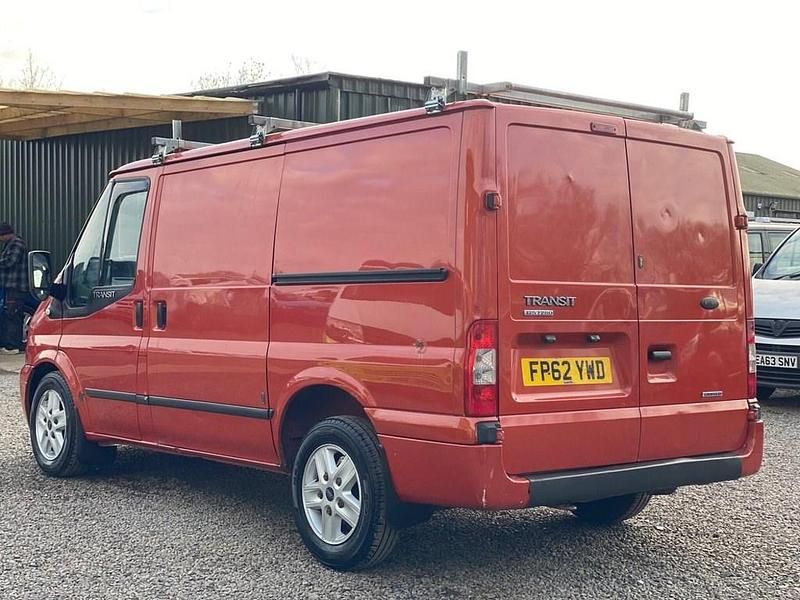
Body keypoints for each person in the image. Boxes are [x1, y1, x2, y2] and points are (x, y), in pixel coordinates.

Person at [0, 222, 28, 354]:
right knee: (10, 313)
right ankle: (12, 343)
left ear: (5, 234)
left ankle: (13, 345)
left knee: (13, 313)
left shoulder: (16, 243)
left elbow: (10, 261)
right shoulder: (9, 243)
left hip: (16, 285)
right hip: (10, 285)